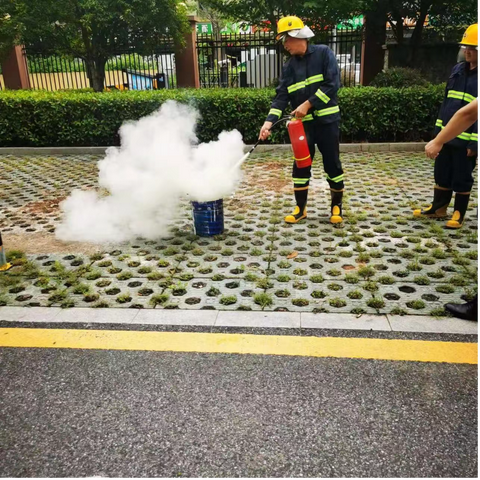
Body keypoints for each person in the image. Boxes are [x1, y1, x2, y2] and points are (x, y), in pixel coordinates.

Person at [259, 16, 344, 224]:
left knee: (332, 163)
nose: (284, 45)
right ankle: (300, 208)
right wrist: (268, 122)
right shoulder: (289, 67)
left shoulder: (324, 54)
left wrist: (308, 104)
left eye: (285, 40)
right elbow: (281, 96)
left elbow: (333, 85)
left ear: (297, 36)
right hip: (302, 127)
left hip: (327, 123)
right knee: (301, 165)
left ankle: (336, 207)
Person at [414, 23, 479, 229]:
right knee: (442, 173)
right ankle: (438, 208)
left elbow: (473, 114)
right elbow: (446, 103)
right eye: (465, 47)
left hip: (467, 138)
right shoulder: (457, 70)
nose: (467, 51)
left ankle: (458, 213)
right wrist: (437, 135)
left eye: (473, 48)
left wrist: (475, 143)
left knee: (461, 176)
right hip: (446, 134)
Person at [425, 98, 479, 321]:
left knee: (462, 177)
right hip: (452, 142)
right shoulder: (458, 72)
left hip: (463, 142)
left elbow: (468, 114)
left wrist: (437, 141)